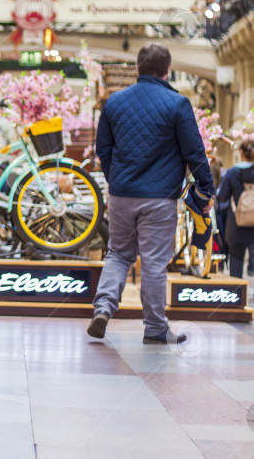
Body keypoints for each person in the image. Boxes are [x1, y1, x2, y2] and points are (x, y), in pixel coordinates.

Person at [89, 43, 214, 345]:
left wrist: (115, 180)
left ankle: (103, 308)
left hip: (121, 195)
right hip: (159, 199)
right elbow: (194, 152)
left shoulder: (114, 103)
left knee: (118, 254)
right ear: (167, 69)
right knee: (155, 263)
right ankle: (155, 327)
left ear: (138, 68)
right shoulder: (177, 103)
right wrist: (207, 187)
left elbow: (102, 149)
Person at [217, 141, 254, 278]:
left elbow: (222, 197)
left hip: (236, 223)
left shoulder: (232, 173)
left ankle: (237, 296)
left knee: (236, 260)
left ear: (241, 153)